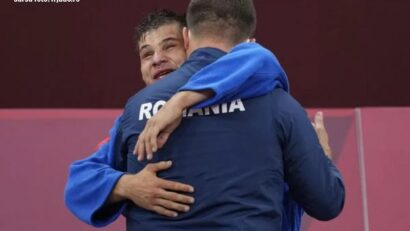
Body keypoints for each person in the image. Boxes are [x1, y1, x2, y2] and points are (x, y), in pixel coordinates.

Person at [64, 4, 336, 231]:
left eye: (169, 47)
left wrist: (182, 100)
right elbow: (80, 181)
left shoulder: (257, 77)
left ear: (187, 41)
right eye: (146, 54)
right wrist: (127, 185)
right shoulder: (135, 114)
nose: (158, 59)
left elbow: (257, 59)